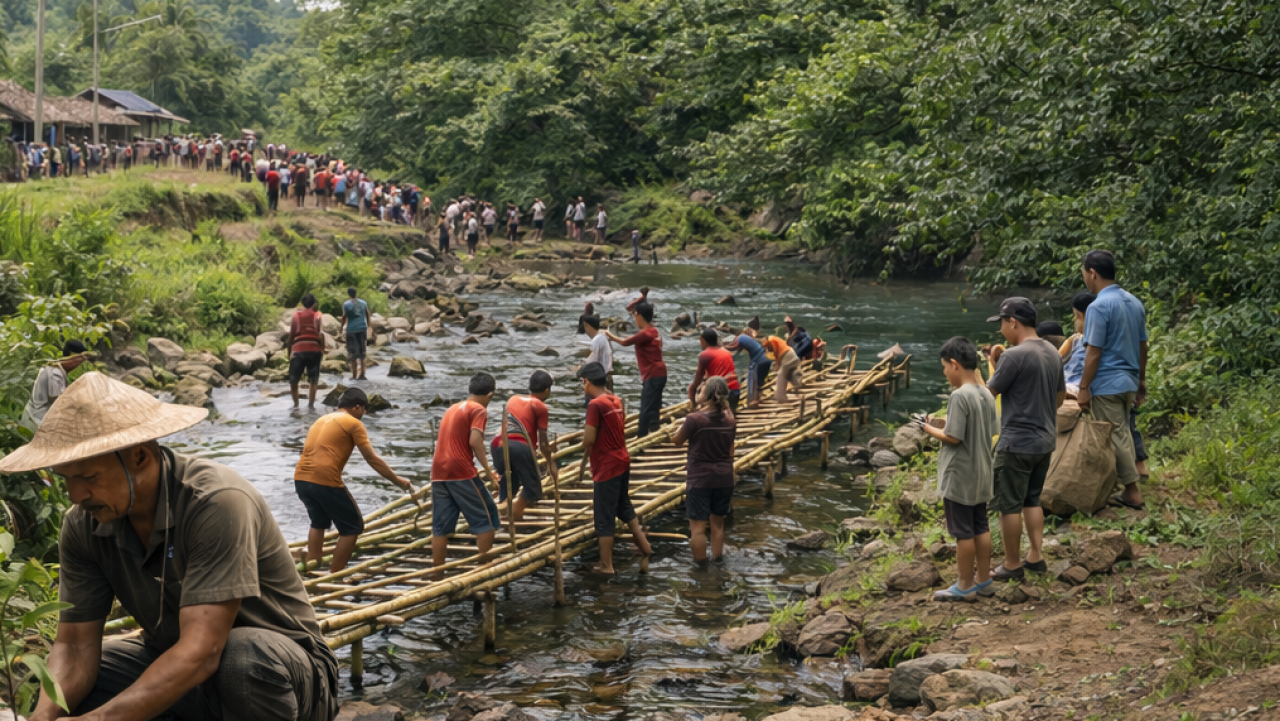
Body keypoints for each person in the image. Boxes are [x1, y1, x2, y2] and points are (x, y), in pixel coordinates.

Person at [0, 372, 339, 721]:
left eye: (88, 478)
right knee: (47, 679)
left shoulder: (216, 503)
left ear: (140, 457)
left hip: (285, 676)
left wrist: (100, 720)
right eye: (66, 479)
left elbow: (203, 651)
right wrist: (44, 716)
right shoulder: (83, 525)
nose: (75, 496)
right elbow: (74, 646)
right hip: (186, 672)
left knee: (241, 659)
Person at [984, 297, 1065, 582]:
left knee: (1009, 505)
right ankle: (1035, 556)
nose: (1001, 331)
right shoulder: (1052, 352)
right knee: (1032, 500)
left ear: (1013, 322)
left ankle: (1012, 563)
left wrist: (990, 366)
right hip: (1044, 440)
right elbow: (1059, 398)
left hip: (1016, 442)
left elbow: (986, 396)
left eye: (1002, 324)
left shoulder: (1013, 356)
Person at [295, 387, 413, 573]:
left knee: (318, 522)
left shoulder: (322, 419)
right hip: (324, 479)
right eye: (364, 410)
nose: (364, 414)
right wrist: (397, 481)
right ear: (357, 407)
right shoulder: (353, 423)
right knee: (353, 527)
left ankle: (312, 565)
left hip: (301, 479)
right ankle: (336, 574)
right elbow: (372, 459)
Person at [920, 338, 999, 602]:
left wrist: (927, 428)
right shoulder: (986, 393)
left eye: (944, 367)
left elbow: (953, 436)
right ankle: (984, 580)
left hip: (960, 475)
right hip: (982, 471)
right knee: (980, 526)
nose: (944, 373)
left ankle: (964, 585)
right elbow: (991, 430)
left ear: (954, 364)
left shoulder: (959, 396)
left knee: (963, 532)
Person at [1078, 249, 1149, 510]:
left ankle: (1131, 491)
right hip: (1129, 380)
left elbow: (1093, 353)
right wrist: (1141, 380)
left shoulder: (1098, 307)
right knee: (1124, 432)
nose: (1086, 278)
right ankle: (1123, 483)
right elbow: (1143, 346)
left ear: (1092, 273)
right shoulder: (1134, 302)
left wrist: (1084, 387)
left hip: (1107, 382)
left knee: (1114, 435)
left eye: (1085, 273)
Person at [578, 362, 652, 574]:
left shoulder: (595, 405)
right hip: (621, 458)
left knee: (604, 515)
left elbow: (589, 438)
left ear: (587, 381)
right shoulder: (615, 400)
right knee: (623, 506)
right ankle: (645, 547)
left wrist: (583, 440)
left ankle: (606, 565)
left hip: (606, 465)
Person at [430, 373, 503, 571]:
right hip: (460, 470)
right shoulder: (479, 409)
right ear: (489, 395)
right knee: (487, 517)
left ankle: (437, 572)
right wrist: (488, 471)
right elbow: (474, 441)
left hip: (438, 471)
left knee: (440, 527)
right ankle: (483, 568)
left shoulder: (452, 408)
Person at [670, 376, 735, 563]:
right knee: (718, 525)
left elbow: (677, 441)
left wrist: (672, 432)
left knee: (697, 528)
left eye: (702, 388)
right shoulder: (730, 419)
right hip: (724, 477)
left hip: (701, 479)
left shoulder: (694, 419)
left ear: (707, 394)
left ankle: (701, 567)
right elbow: (731, 450)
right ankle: (717, 560)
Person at [491, 370, 559, 523]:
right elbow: (542, 442)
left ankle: (501, 512)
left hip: (497, 444)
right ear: (547, 390)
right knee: (533, 490)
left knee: (510, 483)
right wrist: (551, 464)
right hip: (519, 445)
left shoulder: (513, 399)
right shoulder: (540, 407)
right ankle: (515, 515)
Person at [604, 300, 668, 436]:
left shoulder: (645, 333)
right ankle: (655, 430)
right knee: (655, 406)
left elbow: (625, 342)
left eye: (635, 316)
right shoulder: (654, 331)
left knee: (645, 408)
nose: (634, 320)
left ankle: (641, 438)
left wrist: (609, 335)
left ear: (639, 316)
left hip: (653, 374)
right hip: (661, 373)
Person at [20, 340, 88, 433]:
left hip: (36, 418)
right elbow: (60, 402)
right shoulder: (55, 372)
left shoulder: (57, 369)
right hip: (35, 421)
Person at [286, 293, 325, 408]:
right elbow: (321, 335)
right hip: (314, 350)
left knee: (294, 380)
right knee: (313, 379)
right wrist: (322, 348)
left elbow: (291, 335)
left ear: (303, 304)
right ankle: (311, 405)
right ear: (314, 304)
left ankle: (296, 405)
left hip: (298, 349)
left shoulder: (296, 316)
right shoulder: (318, 315)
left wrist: (289, 352)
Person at [689, 328, 741, 412]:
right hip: (735, 393)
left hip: (722, 396)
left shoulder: (705, 354)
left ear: (703, 341)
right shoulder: (726, 351)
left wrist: (693, 403)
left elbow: (695, 384)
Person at [725, 329, 769, 409]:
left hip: (759, 359)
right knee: (759, 380)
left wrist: (722, 347)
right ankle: (759, 397)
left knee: (751, 379)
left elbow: (733, 347)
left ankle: (752, 401)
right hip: (766, 357)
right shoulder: (747, 339)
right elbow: (738, 351)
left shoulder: (740, 338)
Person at [760, 333, 803, 404]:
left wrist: (778, 364)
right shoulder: (774, 340)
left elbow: (778, 354)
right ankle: (797, 386)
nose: (767, 348)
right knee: (788, 375)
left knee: (781, 375)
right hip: (791, 355)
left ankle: (780, 397)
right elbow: (776, 355)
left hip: (788, 355)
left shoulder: (772, 340)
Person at [339, 287, 370, 381]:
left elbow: (344, 317)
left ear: (348, 294)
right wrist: (369, 325)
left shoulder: (346, 304)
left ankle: (354, 375)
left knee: (353, 354)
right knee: (362, 353)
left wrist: (341, 327)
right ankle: (363, 375)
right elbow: (367, 313)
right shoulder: (363, 303)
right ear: (356, 293)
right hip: (362, 328)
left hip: (351, 330)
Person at [582, 315, 613, 392]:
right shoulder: (602, 336)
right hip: (606, 375)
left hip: (600, 378)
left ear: (587, 325)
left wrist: (581, 368)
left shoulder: (597, 340)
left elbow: (592, 360)